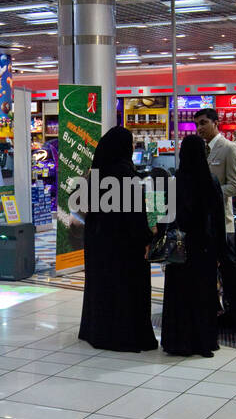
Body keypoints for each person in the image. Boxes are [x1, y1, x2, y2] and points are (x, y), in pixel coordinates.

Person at [78, 125, 157, 352]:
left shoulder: (97, 173)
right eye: (130, 143)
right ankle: (124, 334)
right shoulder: (126, 174)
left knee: (101, 287)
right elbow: (134, 215)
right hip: (124, 245)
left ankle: (97, 331)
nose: (133, 148)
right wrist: (147, 236)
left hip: (98, 240)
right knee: (125, 289)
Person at [161, 135, 223, 357]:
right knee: (203, 294)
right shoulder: (211, 181)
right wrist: (219, 249)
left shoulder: (176, 180)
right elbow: (218, 218)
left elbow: (167, 216)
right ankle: (203, 341)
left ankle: (179, 340)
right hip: (204, 247)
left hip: (180, 248)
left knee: (180, 294)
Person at [195, 108, 236, 337]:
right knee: (207, 273)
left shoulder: (229, 148)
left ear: (216, 123)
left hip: (223, 223)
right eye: (197, 124)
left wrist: (209, 193)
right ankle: (213, 314)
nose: (200, 128)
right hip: (202, 222)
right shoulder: (199, 150)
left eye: (204, 123)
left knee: (230, 273)